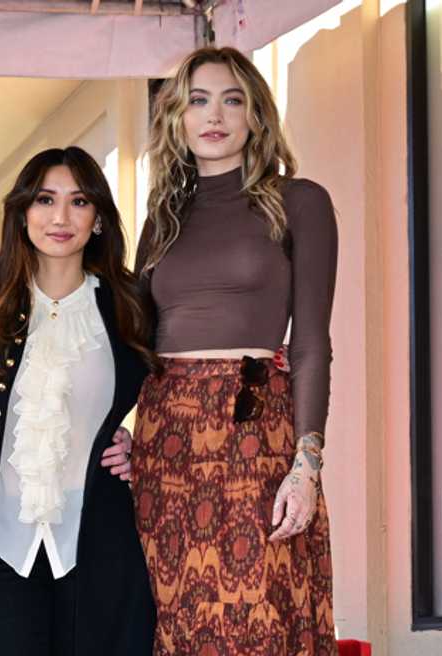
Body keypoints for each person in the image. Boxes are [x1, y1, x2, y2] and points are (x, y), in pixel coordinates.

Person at [132, 46, 338, 654]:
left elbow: (312, 345)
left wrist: (307, 465)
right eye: (197, 100)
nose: (213, 115)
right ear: (176, 116)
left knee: (259, 615)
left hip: (255, 434)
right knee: (177, 619)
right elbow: (130, 340)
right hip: (165, 440)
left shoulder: (299, 201)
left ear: (256, 114)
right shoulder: (162, 217)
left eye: (232, 99)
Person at [0, 147, 156, 655]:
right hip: (1, 548)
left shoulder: (131, 306)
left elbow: (175, 390)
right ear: (23, 211)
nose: (60, 217)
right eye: (46, 199)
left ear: (98, 219)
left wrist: (145, 445)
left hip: (100, 543)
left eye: (79, 202)